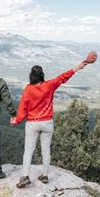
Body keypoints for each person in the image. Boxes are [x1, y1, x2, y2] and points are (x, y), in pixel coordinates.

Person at [12, 59, 90, 188]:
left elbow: (22, 109)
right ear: (42, 75)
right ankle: (45, 175)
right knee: (46, 150)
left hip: (33, 123)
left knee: (28, 151)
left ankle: (25, 176)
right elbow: (63, 77)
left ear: (31, 76)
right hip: (47, 122)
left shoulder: (29, 89)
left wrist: (17, 120)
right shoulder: (50, 85)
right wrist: (78, 67)